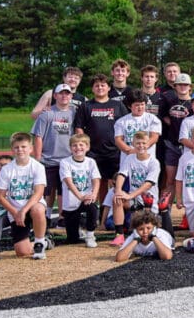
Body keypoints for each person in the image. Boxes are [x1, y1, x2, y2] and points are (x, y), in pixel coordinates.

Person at [73, 74, 129, 214]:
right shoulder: (86, 106)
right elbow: (79, 127)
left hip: (115, 150)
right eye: (96, 85)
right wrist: (84, 146)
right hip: (93, 152)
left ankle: (117, 212)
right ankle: (101, 211)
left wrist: (123, 144)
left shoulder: (117, 105)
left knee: (117, 181)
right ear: (92, 88)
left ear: (109, 88)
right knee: (99, 181)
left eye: (103, 85)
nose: (100, 88)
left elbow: (126, 125)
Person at [0, 132, 51, 259]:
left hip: (32, 206)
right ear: (12, 149)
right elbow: (0, 197)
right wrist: (15, 212)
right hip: (15, 210)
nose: (20, 150)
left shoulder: (38, 167)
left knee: (38, 209)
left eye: (23, 146)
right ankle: (46, 242)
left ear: (31, 148)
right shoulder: (6, 169)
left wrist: (24, 210)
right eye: (16, 147)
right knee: (22, 252)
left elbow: (38, 193)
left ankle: (39, 242)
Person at [32, 83, 76, 222]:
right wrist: (38, 159)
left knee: (65, 190)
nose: (64, 96)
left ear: (71, 96)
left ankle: (63, 217)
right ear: (55, 96)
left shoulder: (75, 112)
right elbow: (38, 136)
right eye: (61, 93)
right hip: (48, 159)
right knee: (46, 190)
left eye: (67, 93)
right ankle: (45, 216)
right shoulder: (46, 114)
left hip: (68, 160)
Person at [111, 132, 159, 247]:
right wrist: (118, 190)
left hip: (149, 200)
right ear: (133, 144)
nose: (141, 146)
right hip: (134, 199)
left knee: (147, 232)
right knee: (117, 199)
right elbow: (122, 175)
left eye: (144, 143)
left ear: (148, 144)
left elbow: (148, 184)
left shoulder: (154, 162)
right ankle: (119, 235)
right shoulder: (130, 158)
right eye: (138, 143)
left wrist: (130, 195)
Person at [60, 133, 101, 247]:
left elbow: (96, 180)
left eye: (81, 145)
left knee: (92, 207)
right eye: (74, 145)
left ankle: (90, 235)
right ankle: (78, 230)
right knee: (72, 239)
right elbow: (69, 182)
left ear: (87, 147)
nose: (78, 148)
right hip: (72, 201)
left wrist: (93, 195)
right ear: (70, 148)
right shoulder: (65, 162)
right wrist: (80, 197)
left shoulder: (91, 162)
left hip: (86, 199)